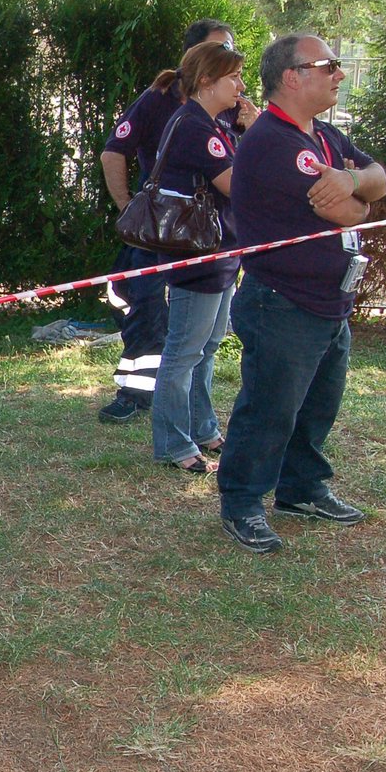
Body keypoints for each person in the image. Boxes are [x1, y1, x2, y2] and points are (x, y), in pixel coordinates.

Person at [215, 33, 386, 553]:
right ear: (292, 77)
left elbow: (379, 179)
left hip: (328, 300)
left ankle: (301, 489)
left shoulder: (326, 137)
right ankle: (242, 502)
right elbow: (350, 212)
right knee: (269, 409)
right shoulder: (275, 142)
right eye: (327, 65)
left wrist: (352, 176)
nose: (338, 73)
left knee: (317, 406)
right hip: (282, 303)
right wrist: (357, 192)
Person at [97, 19, 257, 423]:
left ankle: (192, 417)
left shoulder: (232, 106)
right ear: (198, 65)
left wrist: (251, 130)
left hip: (215, 238)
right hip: (165, 233)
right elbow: (114, 151)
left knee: (200, 337)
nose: (237, 78)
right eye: (222, 55)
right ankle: (136, 394)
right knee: (149, 309)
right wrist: (129, 208)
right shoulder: (162, 100)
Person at [145, 41, 248, 476]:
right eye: (233, 77)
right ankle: (172, 443)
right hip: (199, 257)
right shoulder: (194, 127)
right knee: (184, 352)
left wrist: (243, 131)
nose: (241, 86)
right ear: (207, 81)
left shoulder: (212, 123)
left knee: (206, 347)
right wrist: (256, 133)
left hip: (220, 253)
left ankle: (203, 427)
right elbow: (238, 184)